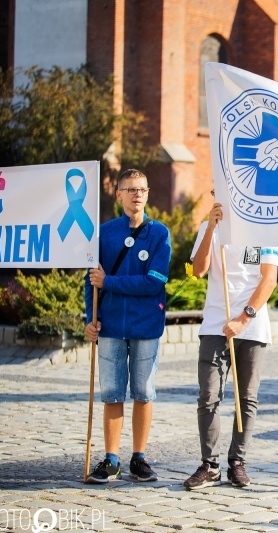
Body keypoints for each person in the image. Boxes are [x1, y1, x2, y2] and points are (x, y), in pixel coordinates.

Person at [183, 193, 278, 490]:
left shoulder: (266, 229)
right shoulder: (207, 228)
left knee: (246, 398)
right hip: (214, 324)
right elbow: (198, 271)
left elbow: (269, 280)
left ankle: (237, 462)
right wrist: (211, 228)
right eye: (217, 192)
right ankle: (209, 464)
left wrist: (243, 318)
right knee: (208, 395)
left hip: (250, 326)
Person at [84, 169, 172, 483]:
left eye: (142, 190)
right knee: (111, 394)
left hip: (146, 324)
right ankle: (111, 459)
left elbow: (154, 282)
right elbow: (90, 281)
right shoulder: (104, 233)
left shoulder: (160, 233)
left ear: (147, 194)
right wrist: (89, 319)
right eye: (130, 189)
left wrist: (111, 281)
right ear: (118, 194)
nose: (137, 195)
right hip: (109, 326)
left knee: (144, 392)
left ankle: (139, 458)